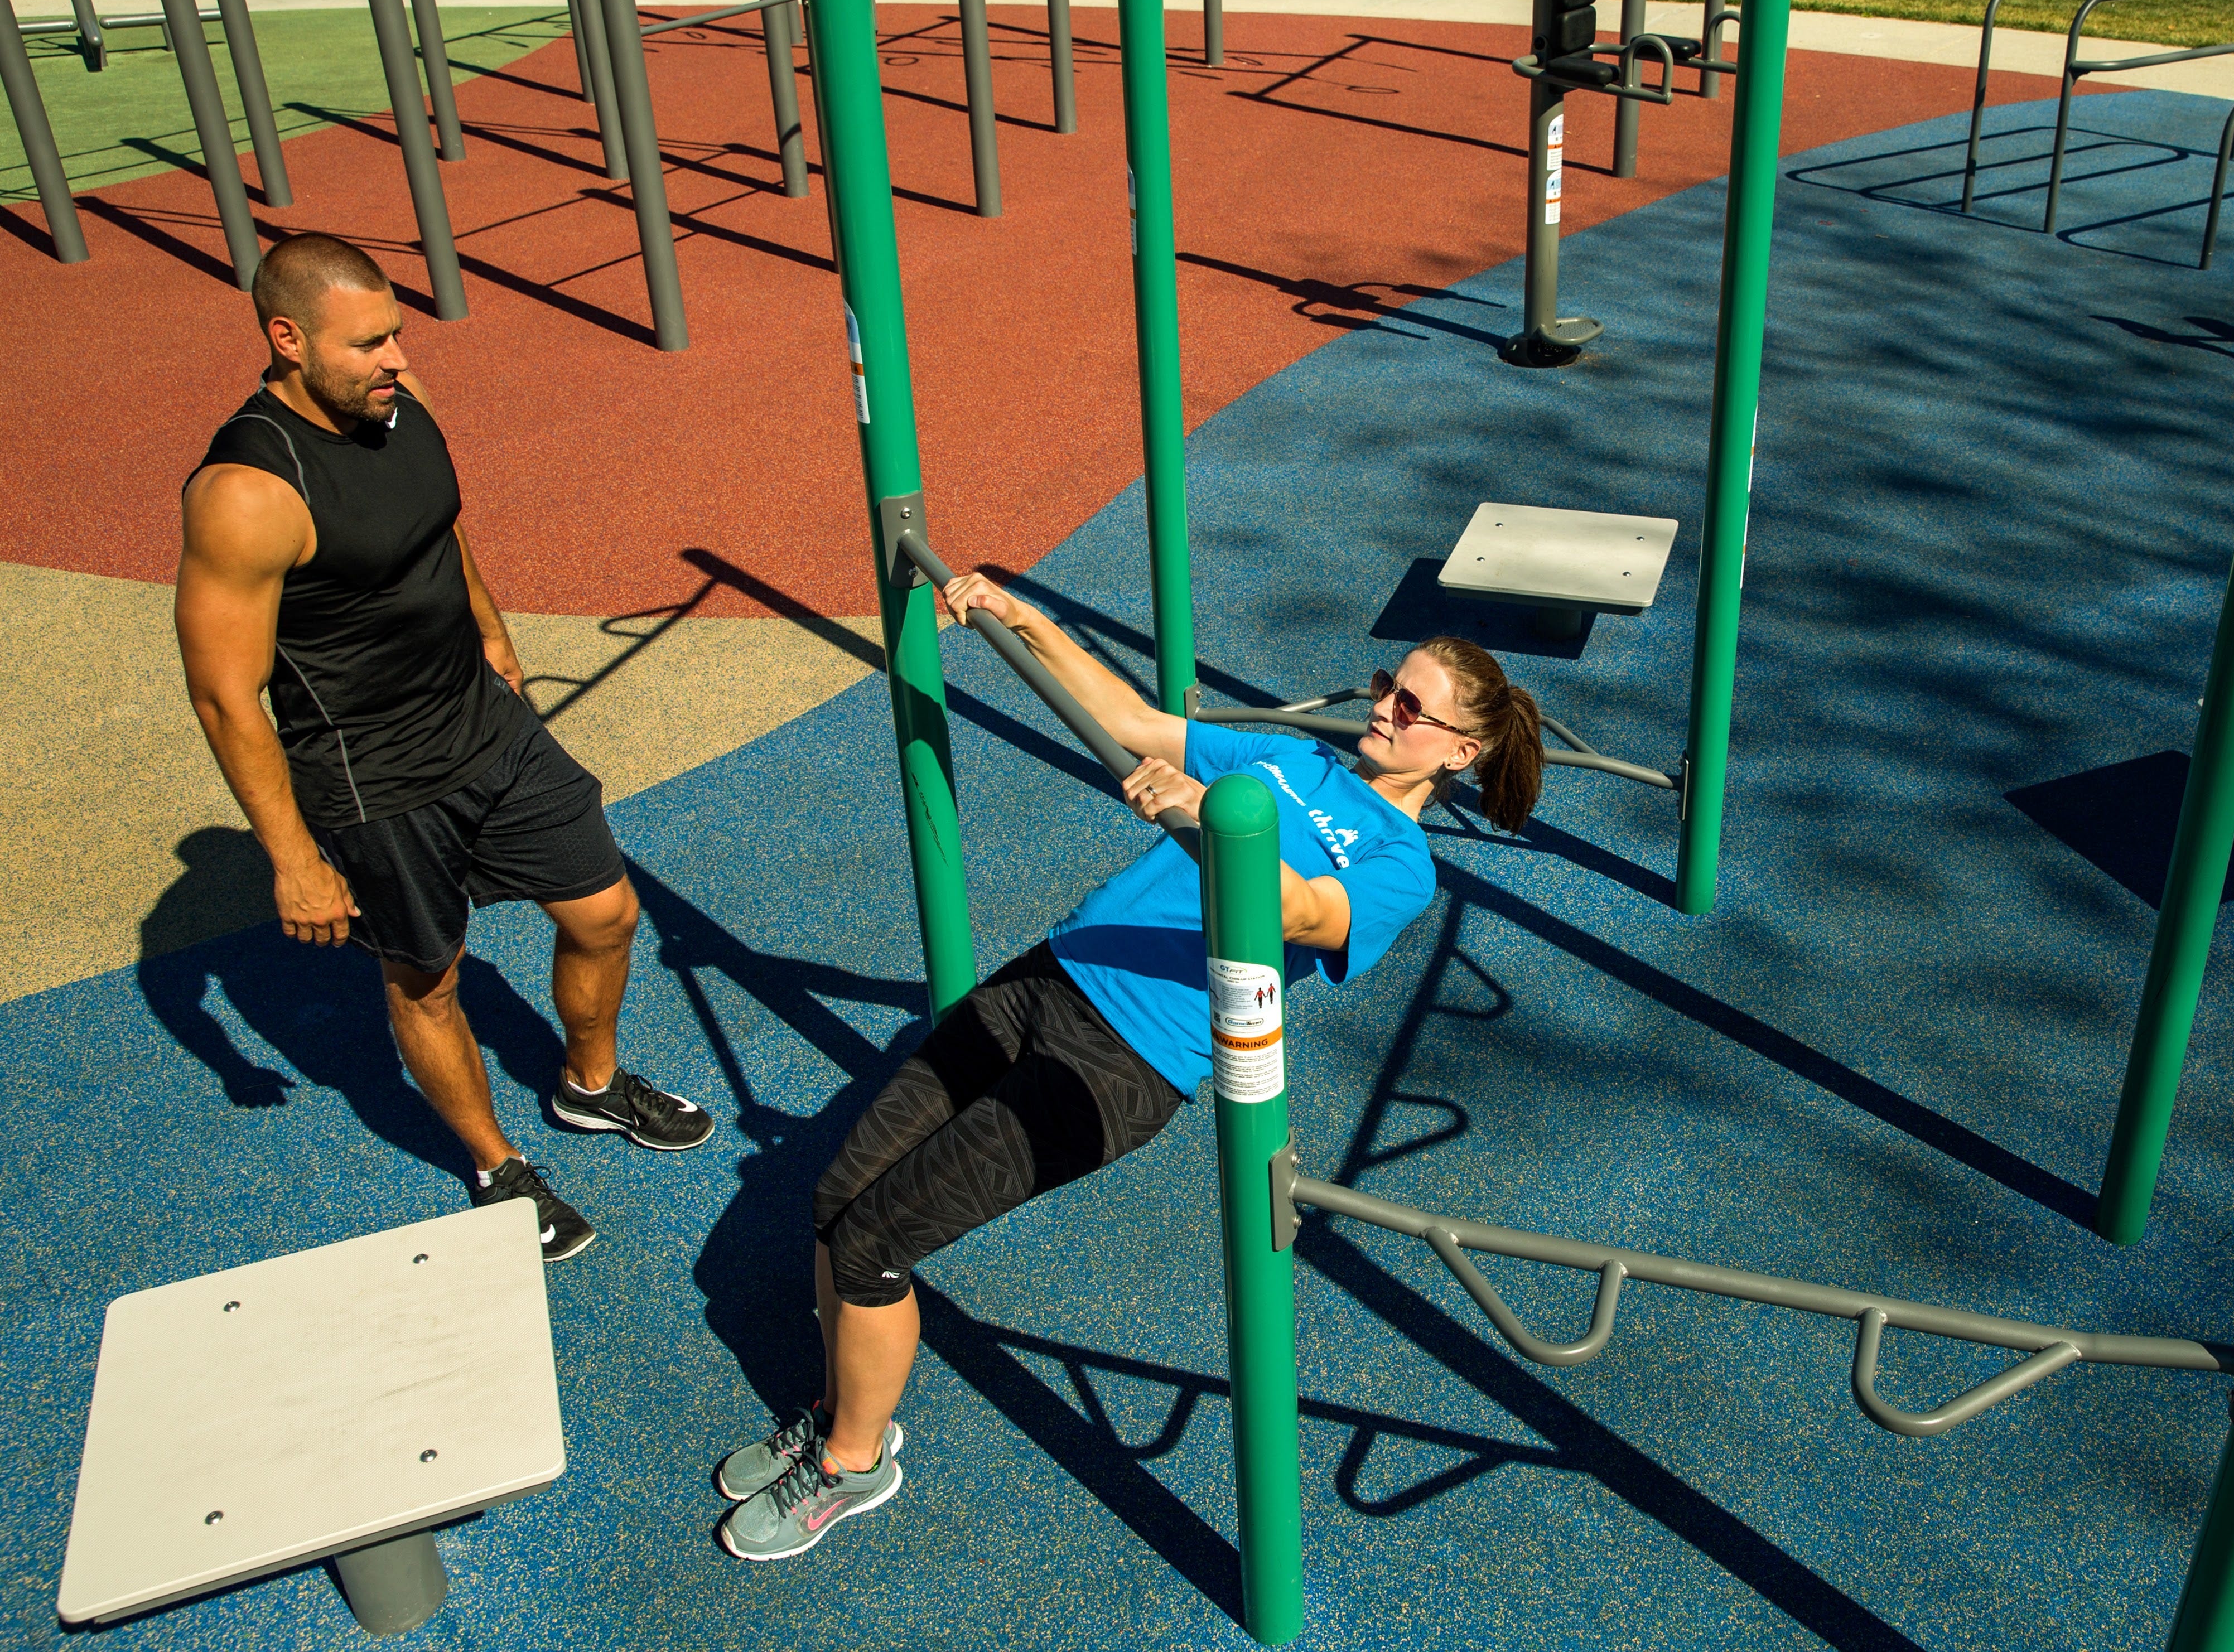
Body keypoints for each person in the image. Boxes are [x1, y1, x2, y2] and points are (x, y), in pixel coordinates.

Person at [708, 573, 1548, 1559]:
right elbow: (1134, 719)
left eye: (1412, 708)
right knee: (837, 1195)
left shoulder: (1402, 864)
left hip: (1123, 1065)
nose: (1383, 708)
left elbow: (1298, 912)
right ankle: (843, 1403)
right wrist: (1029, 619)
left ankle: (856, 1463)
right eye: (1385, 684)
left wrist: (1211, 815)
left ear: (1462, 750)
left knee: (876, 1242)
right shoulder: (1300, 764)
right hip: (1048, 978)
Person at [175, 233, 712, 1265]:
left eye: (397, 334)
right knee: (428, 982)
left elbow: (442, 526)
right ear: (288, 340)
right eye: (369, 341)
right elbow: (223, 692)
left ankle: (589, 1089)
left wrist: (495, 630)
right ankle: (495, 1166)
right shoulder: (248, 491)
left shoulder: (396, 407)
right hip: (375, 782)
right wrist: (294, 861)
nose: (396, 358)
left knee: (606, 911)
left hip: (485, 724)